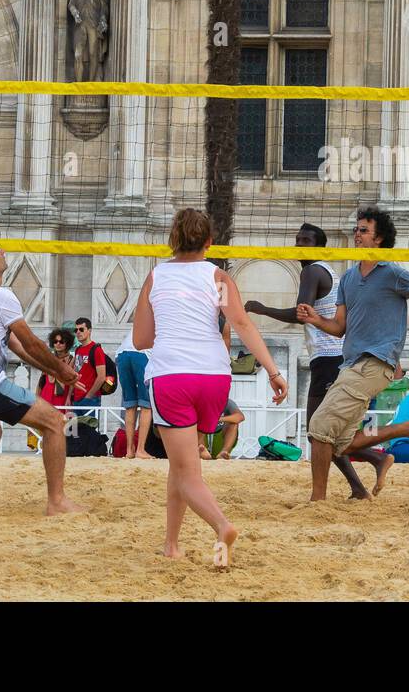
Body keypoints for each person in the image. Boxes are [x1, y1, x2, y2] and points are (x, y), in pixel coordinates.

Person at [133, 209, 287, 564]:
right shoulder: (218, 277)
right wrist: (273, 372)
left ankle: (222, 526)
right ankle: (171, 545)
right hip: (214, 379)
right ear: (209, 242)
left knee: (187, 472)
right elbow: (243, 325)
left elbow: (142, 339)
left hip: (172, 376)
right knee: (184, 468)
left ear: (173, 239)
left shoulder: (156, 277)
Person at [298, 206, 409, 502]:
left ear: (379, 239)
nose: (357, 235)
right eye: (356, 229)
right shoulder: (349, 277)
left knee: (319, 427)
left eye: (364, 230)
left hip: (376, 362)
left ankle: (317, 500)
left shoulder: (393, 274)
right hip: (351, 363)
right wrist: (315, 319)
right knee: (342, 441)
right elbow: (339, 328)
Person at [247, 223, 392, 498]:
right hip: (332, 358)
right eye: (298, 239)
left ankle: (374, 460)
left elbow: (302, 313)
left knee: (318, 431)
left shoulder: (313, 270)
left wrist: (262, 309)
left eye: (307, 240)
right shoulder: (327, 270)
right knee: (323, 432)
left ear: (319, 246)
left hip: (329, 359)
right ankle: (360, 485)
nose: (300, 245)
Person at [0, 236, 84, 517]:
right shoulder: (0, 296)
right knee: (55, 423)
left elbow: (17, 347)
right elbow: (31, 342)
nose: (3, 252)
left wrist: (54, 372)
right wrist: (60, 368)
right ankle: (56, 501)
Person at [115, 330, 154, 460]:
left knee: (130, 405)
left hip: (121, 354)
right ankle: (140, 449)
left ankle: (129, 450)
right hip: (142, 354)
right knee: (146, 405)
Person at [70, 317, 107, 416]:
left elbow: (101, 377)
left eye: (81, 329)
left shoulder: (96, 350)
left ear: (89, 331)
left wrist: (89, 396)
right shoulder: (78, 350)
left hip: (90, 399)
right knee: (76, 431)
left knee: (89, 430)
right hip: (76, 398)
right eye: (76, 330)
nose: (78, 332)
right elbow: (74, 374)